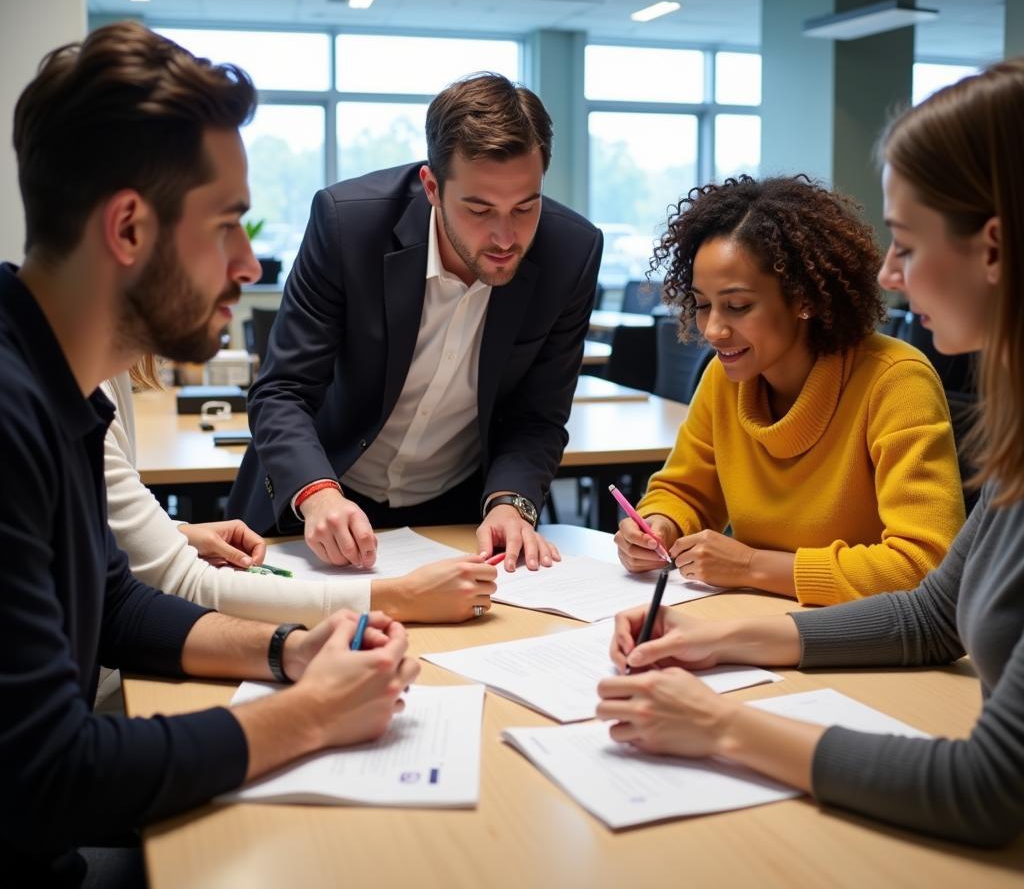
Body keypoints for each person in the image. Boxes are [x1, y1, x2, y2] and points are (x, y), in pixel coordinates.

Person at [0, 22, 419, 886]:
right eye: (227, 223)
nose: (249, 260)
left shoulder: (56, 384)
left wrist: (287, 653)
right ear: (127, 229)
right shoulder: (8, 416)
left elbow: (113, 605)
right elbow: (45, 778)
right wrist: (308, 716)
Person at [598, 59, 1024, 848]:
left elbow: (992, 788)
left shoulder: (894, 380)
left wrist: (724, 728)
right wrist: (715, 639)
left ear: (993, 248)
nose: (890, 275)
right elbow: (936, 618)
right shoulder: (1018, 439)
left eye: (903, 244)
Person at [227, 72, 603, 573]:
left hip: (453, 518)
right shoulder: (348, 225)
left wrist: (510, 503)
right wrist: (317, 493)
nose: (505, 236)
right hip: (319, 502)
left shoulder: (571, 253)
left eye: (525, 206)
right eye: (479, 208)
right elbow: (282, 391)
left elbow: (537, 416)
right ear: (431, 186)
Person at [615, 174, 965, 605]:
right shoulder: (725, 379)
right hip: (753, 623)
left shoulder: (895, 381)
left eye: (739, 306)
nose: (714, 329)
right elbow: (685, 491)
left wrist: (750, 566)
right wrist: (658, 524)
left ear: (805, 299)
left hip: (866, 642)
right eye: (703, 305)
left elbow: (925, 565)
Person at [99, 361, 497, 644]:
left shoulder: (100, 368)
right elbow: (182, 587)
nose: (249, 268)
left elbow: (102, 521)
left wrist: (174, 534)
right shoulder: (79, 388)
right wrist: (401, 596)